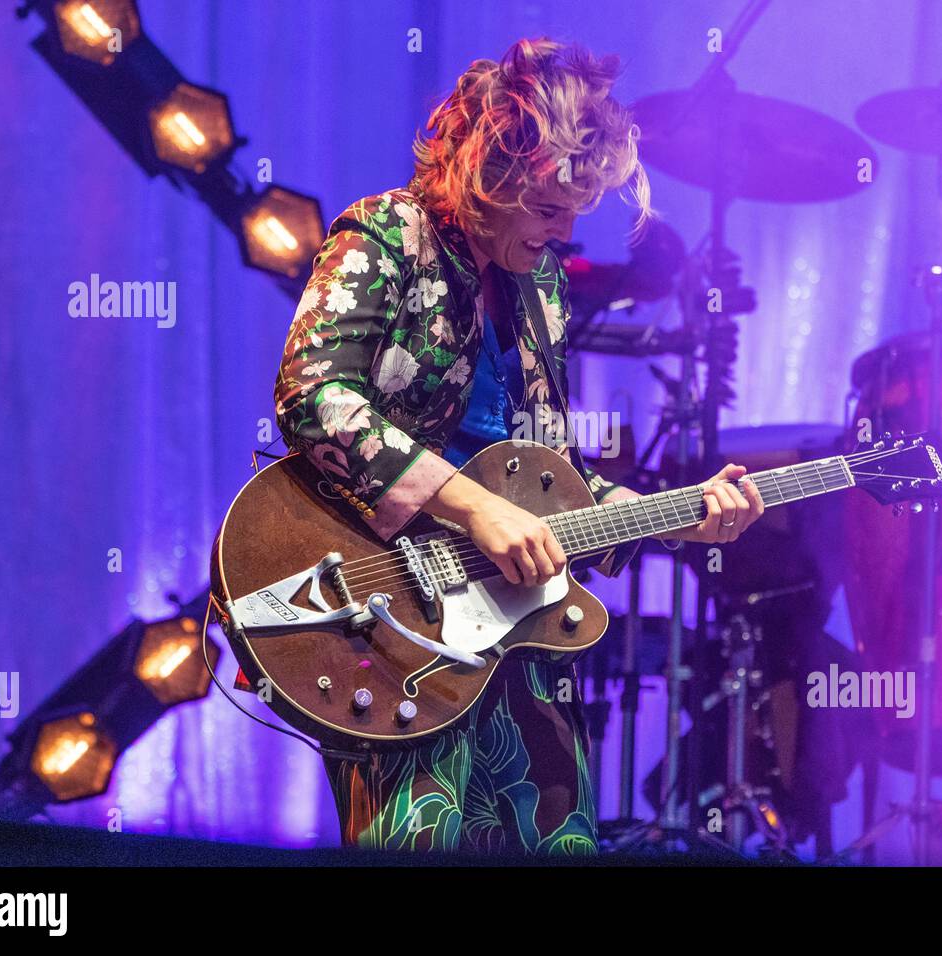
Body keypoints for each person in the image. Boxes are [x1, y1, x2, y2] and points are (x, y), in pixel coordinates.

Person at [274, 38, 764, 855]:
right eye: (546, 208)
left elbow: (546, 479)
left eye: (577, 208)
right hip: (391, 619)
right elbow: (313, 392)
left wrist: (677, 518)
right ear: (484, 176)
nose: (568, 230)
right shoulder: (388, 234)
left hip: (516, 623)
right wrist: (475, 510)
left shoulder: (539, 284)